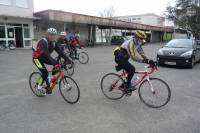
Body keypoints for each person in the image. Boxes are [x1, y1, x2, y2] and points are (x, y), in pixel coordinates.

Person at [32, 28, 72, 95]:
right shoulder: (43, 42)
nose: (52, 36)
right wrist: (54, 63)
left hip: (45, 58)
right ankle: (39, 87)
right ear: (47, 35)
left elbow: (61, 52)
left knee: (57, 64)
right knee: (45, 73)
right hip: (37, 59)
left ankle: (52, 79)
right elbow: (46, 54)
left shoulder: (54, 43)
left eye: (53, 35)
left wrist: (69, 60)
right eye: (50, 34)